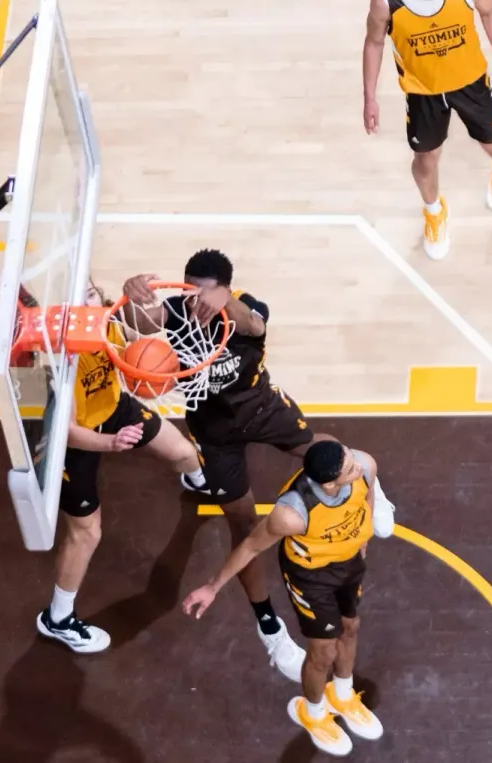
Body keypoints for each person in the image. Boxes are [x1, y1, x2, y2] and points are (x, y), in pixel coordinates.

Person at [122, 249, 396, 683]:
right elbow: (142, 324)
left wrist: (225, 300)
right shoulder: (176, 309)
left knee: (314, 448)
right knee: (243, 524)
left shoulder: (248, 307)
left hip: (261, 406)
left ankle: (375, 489)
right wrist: (129, 297)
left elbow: (253, 323)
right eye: (190, 288)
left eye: (204, 291)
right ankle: (269, 627)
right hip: (214, 432)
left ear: (225, 287)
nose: (196, 299)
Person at [36, 281, 211, 654]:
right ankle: (58, 619)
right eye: (75, 294)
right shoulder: (62, 357)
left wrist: (136, 295)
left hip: (115, 410)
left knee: (184, 453)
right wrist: (110, 444)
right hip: (76, 439)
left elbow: (141, 328)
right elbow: (66, 432)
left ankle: (198, 482)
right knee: (86, 534)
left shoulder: (109, 322)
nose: (85, 299)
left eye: (89, 291)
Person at [182, 440, 385, 756]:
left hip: (348, 564)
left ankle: (343, 695)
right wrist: (212, 586)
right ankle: (313, 713)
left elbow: (367, 494)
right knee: (322, 651)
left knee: (351, 627)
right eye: (349, 467)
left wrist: (364, 533)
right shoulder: (292, 513)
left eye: (350, 457)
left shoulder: (365, 465)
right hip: (312, 577)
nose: (356, 464)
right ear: (329, 483)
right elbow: (250, 546)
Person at [361, 0, 492, 261]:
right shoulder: (386, 3)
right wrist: (370, 97)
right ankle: (434, 211)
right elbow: (374, 42)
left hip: (471, 85)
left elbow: (489, 13)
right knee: (425, 160)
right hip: (422, 93)